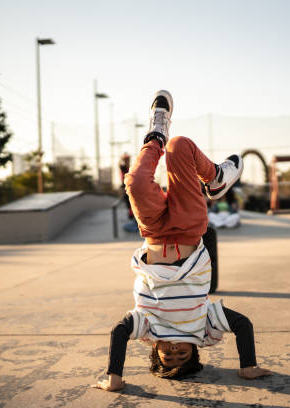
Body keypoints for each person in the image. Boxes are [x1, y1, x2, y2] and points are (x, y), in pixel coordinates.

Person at [93, 90, 271, 392]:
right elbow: (243, 324)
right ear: (194, 351)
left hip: (153, 233)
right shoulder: (204, 327)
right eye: (181, 355)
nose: (174, 349)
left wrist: (114, 377)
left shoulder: (146, 327)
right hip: (189, 230)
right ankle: (215, 178)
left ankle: (156, 133)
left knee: (134, 183)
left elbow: (119, 331)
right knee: (181, 146)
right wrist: (248, 367)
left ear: (155, 352)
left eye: (168, 356)